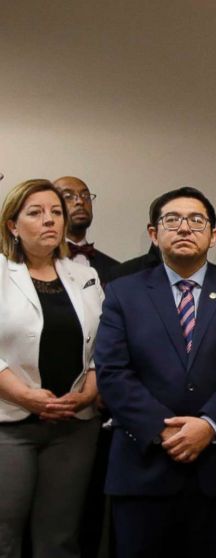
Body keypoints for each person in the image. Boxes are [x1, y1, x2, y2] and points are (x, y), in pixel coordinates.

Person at [95, 187, 216, 558]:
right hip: (144, 469)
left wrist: (209, 425)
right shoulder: (123, 293)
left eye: (196, 220)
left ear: (214, 235)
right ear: (154, 234)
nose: (184, 228)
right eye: (171, 220)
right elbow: (111, 371)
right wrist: (163, 428)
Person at [0, 179, 103, 558]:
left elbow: (103, 343)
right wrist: (24, 395)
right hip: (9, 423)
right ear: (13, 225)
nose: (50, 221)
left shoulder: (85, 275)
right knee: (4, 537)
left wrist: (90, 391)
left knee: (59, 539)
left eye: (56, 212)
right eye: (36, 213)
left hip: (74, 425)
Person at [52, 176, 120, 282]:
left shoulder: (115, 269)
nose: (80, 201)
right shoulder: (38, 264)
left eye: (86, 196)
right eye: (68, 196)